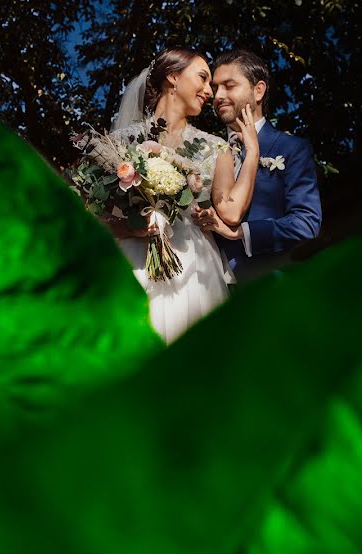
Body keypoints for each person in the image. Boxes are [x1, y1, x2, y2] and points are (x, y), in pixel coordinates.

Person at [100, 48, 261, 344]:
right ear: (173, 78)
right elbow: (91, 216)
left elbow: (231, 212)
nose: (209, 91)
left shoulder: (216, 148)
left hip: (196, 268)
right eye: (202, 78)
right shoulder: (119, 142)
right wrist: (129, 227)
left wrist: (252, 153)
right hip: (132, 260)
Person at [194, 49, 322, 284]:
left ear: (258, 90)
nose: (218, 95)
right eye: (216, 87)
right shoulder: (202, 151)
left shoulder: (291, 148)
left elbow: (306, 224)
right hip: (203, 285)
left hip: (265, 287)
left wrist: (241, 233)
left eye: (229, 85)